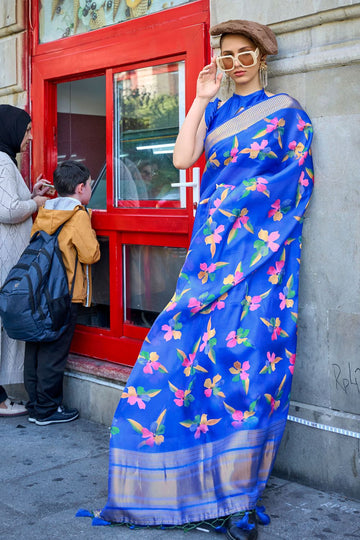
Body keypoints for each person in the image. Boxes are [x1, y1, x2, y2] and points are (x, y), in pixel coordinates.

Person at [96, 20, 314, 540]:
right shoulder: (215, 109)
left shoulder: (288, 114)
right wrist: (198, 98)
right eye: (227, 54)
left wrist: (236, 207)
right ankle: (171, 483)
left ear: (263, 58)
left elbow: (295, 182)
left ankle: (234, 492)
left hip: (260, 261)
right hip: (209, 258)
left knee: (248, 364)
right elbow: (181, 159)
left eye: (245, 55)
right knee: (182, 356)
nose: (235, 63)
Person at [24, 160, 100, 426]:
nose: (90, 189)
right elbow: (90, 254)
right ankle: (47, 410)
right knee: (54, 353)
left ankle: (34, 405)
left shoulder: (45, 211)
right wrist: (89, 221)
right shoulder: (78, 215)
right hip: (64, 294)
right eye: (90, 185)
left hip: (40, 292)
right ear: (81, 188)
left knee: (35, 348)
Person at [0, 104, 50, 417]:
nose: (30, 136)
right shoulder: (3, 162)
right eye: (27, 129)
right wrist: (36, 203)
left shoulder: (5, 161)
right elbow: (6, 211)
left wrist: (31, 194)